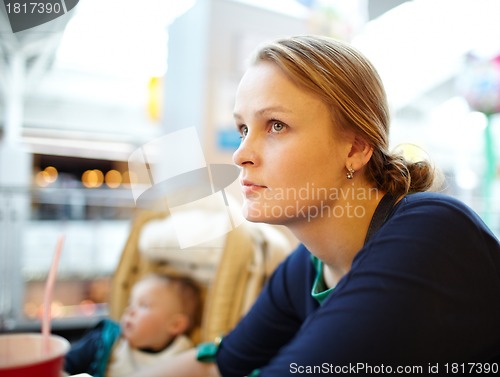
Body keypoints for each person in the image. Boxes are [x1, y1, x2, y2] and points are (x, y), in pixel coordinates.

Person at [132, 35, 500, 377]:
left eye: (276, 125)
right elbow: (216, 367)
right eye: (243, 128)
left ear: (356, 148)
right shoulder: (305, 270)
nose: (241, 153)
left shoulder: (431, 233)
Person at [64, 274, 201, 377]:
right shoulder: (105, 340)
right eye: (131, 303)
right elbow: (65, 365)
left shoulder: (183, 356)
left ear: (175, 325)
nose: (129, 311)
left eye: (143, 305)